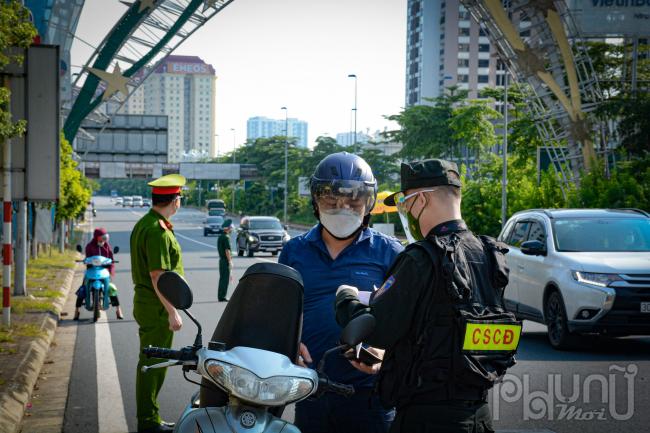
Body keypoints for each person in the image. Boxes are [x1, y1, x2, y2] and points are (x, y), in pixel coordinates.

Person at [334, 159, 520, 433]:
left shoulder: (421, 258)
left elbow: (376, 330)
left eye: (407, 203)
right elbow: (448, 328)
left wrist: (345, 299)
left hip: (427, 418)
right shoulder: (489, 254)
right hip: (479, 416)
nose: (407, 211)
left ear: (420, 199)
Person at [279, 152, 403, 433]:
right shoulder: (294, 250)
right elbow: (282, 312)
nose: (342, 208)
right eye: (331, 201)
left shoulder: (390, 252)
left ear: (368, 204)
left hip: (371, 396)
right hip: (312, 391)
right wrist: (289, 343)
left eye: (353, 202)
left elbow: (406, 320)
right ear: (316, 201)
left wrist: (384, 353)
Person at [130, 174, 186, 433]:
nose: (180, 203)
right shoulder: (157, 231)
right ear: (174, 201)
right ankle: (148, 421)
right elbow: (158, 275)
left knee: (151, 362)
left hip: (148, 303)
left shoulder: (146, 223)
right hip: (156, 306)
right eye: (180, 198)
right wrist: (172, 311)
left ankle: (148, 418)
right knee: (154, 365)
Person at [74, 227, 124, 320]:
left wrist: (111, 262)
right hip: (91, 270)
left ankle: (118, 310)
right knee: (82, 288)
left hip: (104, 270)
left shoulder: (107, 246)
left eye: (105, 238)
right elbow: (87, 257)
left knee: (111, 288)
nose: (104, 240)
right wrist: (85, 261)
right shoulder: (89, 246)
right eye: (102, 238)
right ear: (97, 237)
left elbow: (111, 257)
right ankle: (77, 311)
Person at [217, 219, 233, 302]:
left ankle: (220, 295)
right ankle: (222, 296)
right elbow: (227, 250)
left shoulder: (220, 236)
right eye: (230, 228)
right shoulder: (226, 237)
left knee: (222, 278)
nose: (231, 229)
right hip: (225, 261)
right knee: (225, 279)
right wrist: (230, 261)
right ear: (227, 228)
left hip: (221, 260)